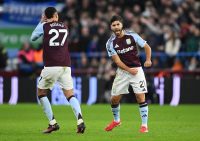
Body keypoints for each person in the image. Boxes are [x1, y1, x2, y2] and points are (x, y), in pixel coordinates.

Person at [30, 7, 85, 134]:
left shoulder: (44, 25)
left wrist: (41, 22)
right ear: (56, 15)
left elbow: (33, 38)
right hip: (66, 65)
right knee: (70, 94)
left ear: (45, 16)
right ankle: (80, 120)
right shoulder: (65, 26)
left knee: (41, 93)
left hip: (51, 65)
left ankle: (52, 123)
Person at [105, 15, 152, 133]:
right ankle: (116, 120)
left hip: (137, 70)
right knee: (114, 99)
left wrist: (148, 60)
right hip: (122, 72)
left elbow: (147, 47)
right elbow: (117, 61)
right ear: (111, 27)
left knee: (140, 97)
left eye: (118, 24)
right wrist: (128, 70)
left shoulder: (132, 35)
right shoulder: (110, 43)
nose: (116, 27)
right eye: (113, 25)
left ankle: (144, 126)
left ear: (122, 25)